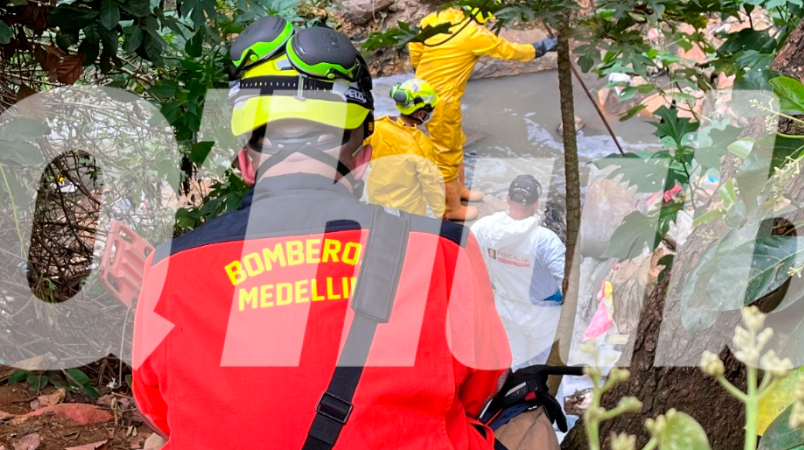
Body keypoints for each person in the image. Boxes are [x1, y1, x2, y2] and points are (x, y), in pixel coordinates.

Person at [132, 19, 511, 450]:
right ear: (364, 160)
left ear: (246, 165)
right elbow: (481, 386)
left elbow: (158, 408)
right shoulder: (445, 252)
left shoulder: (170, 265)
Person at [410, 6, 558, 221]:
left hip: (425, 94)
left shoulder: (433, 18)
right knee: (446, 155)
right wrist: (541, 47)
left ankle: (459, 190)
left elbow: (415, 50)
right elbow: (508, 51)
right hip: (442, 102)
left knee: (456, 142)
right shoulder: (473, 33)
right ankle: (451, 209)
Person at [471, 175, 565, 369]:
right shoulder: (545, 240)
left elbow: (467, 260)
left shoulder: (484, 228)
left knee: (514, 366)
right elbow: (566, 281)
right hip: (543, 314)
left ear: (507, 198)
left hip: (505, 308)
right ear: (536, 203)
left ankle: (515, 399)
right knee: (546, 369)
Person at [362, 78, 446, 217]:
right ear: (421, 114)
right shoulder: (420, 143)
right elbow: (431, 183)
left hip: (376, 202)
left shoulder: (378, 125)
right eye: (430, 110)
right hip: (410, 210)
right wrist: (441, 211)